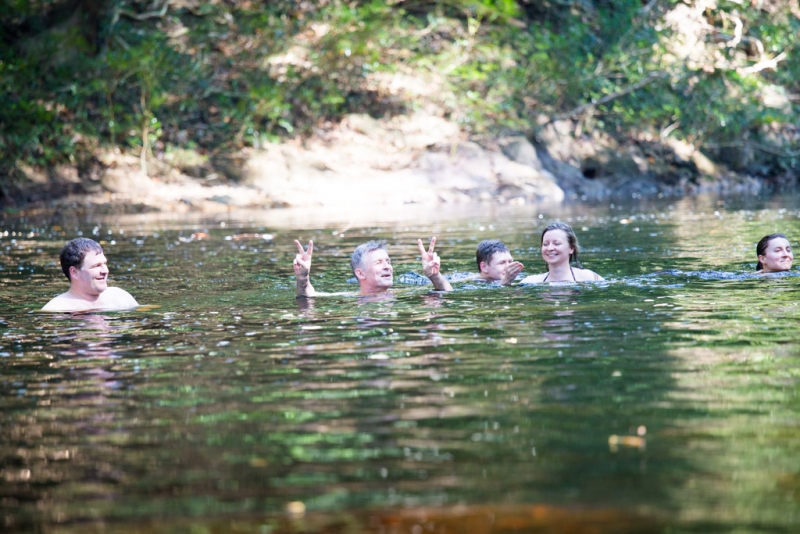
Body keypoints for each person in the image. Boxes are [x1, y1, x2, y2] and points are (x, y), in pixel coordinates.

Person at [293, 237, 453, 296]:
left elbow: (447, 293)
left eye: (388, 262)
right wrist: (303, 277)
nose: (387, 267)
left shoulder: (402, 293)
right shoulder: (352, 298)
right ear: (360, 274)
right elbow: (309, 296)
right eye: (379, 262)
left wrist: (434, 275)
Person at [42, 238, 139, 312]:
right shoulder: (56, 309)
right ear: (74, 272)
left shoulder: (120, 297)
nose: (105, 270)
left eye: (104, 264)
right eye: (96, 266)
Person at [518, 222, 604, 283]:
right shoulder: (531, 281)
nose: (550, 248)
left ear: (571, 248)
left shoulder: (588, 277)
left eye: (557, 243)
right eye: (545, 244)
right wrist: (506, 281)